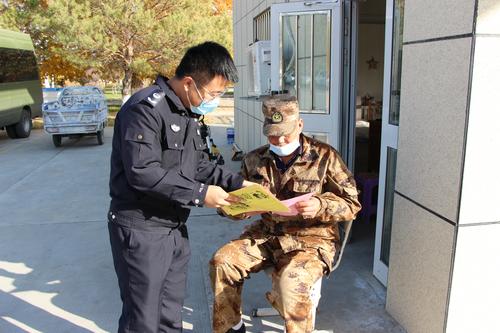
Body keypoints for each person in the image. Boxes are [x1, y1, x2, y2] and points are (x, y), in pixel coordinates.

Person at [108, 41, 255, 333]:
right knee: (143, 320)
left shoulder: (187, 113)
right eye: (214, 93)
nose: (216, 99)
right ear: (189, 83)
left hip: (173, 226)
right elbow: (143, 172)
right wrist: (202, 194)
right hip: (141, 229)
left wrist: (239, 183)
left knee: (169, 314)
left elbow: (198, 164)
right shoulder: (145, 109)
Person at [210, 95, 361, 333]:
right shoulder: (254, 159)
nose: (279, 140)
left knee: (292, 283)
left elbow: (352, 203)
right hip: (266, 234)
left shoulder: (325, 156)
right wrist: (243, 209)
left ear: (300, 125)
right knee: (223, 262)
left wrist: (320, 205)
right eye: (272, 134)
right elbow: (228, 206)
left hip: (312, 239)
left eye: (286, 133)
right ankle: (232, 326)